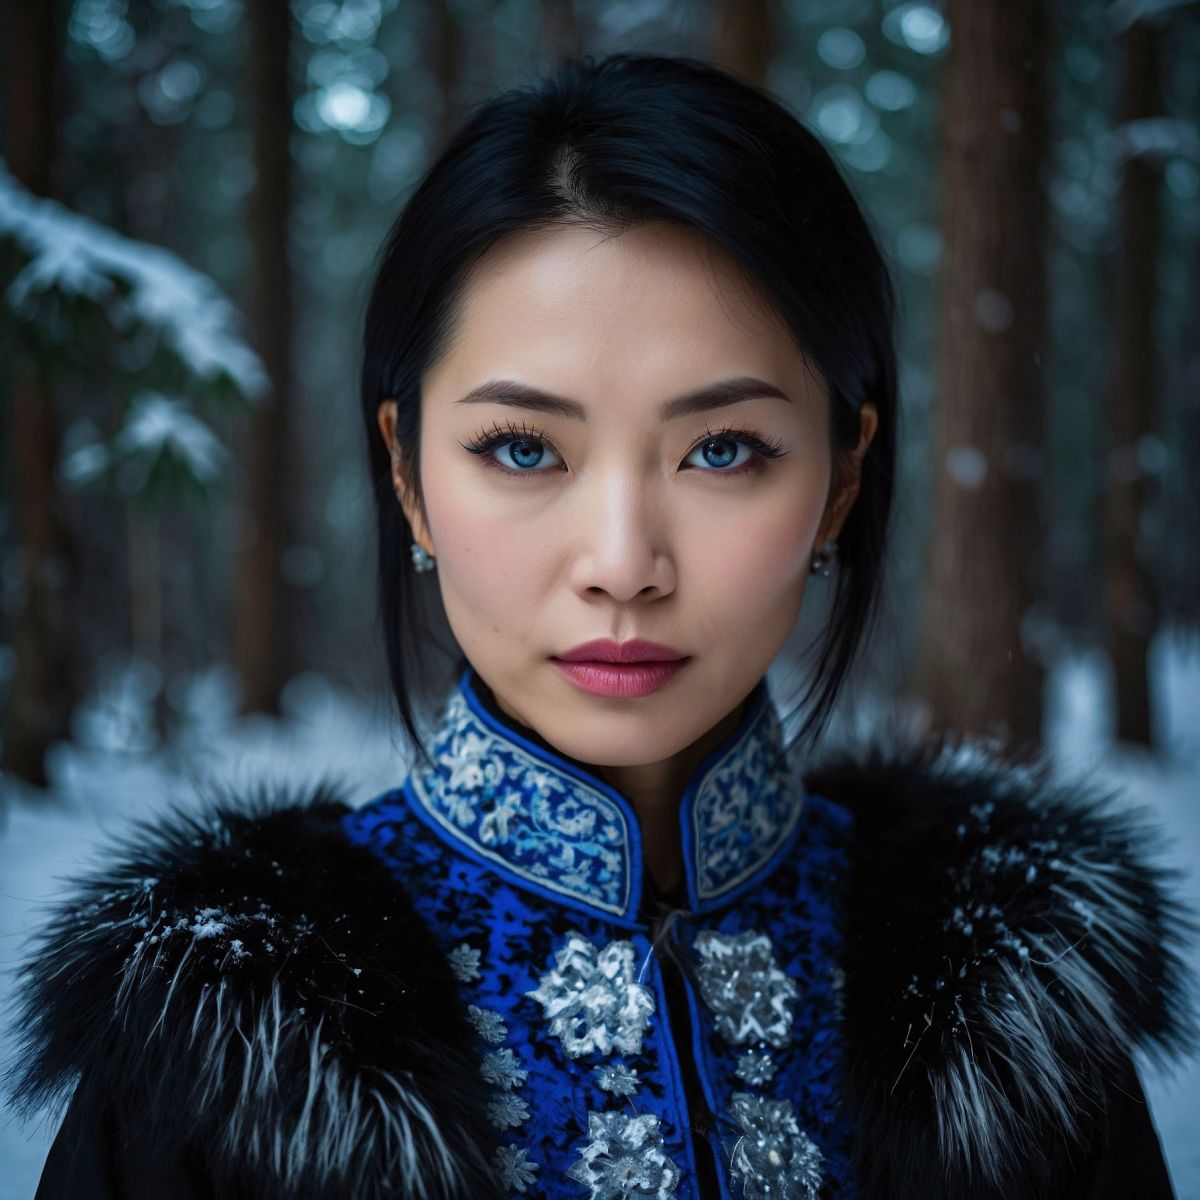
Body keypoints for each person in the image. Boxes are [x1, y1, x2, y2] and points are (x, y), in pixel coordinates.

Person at [7, 52, 1194, 1200]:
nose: (624, 564)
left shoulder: (1006, 997)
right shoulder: (224, 1027)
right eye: (523, 449)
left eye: (723, 449)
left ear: (838, 481)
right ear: (409, 477)